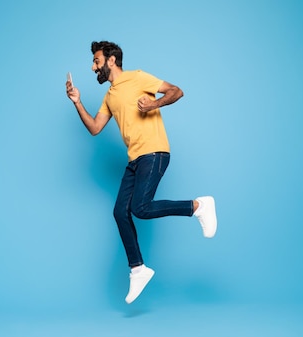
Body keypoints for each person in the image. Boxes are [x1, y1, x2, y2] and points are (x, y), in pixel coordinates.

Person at [65, 41, 217, 304]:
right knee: (119, 211)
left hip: (155, 152)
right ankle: (138, 269)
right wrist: (77, 102)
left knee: (140, 208)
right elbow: (94, 128)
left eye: (97, 61)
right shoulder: (110, 96)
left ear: (111, 60)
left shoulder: (138, 77)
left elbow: (177, 91)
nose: (93, 67)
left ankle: (198, 206)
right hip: (136, 158)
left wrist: (153, 105)